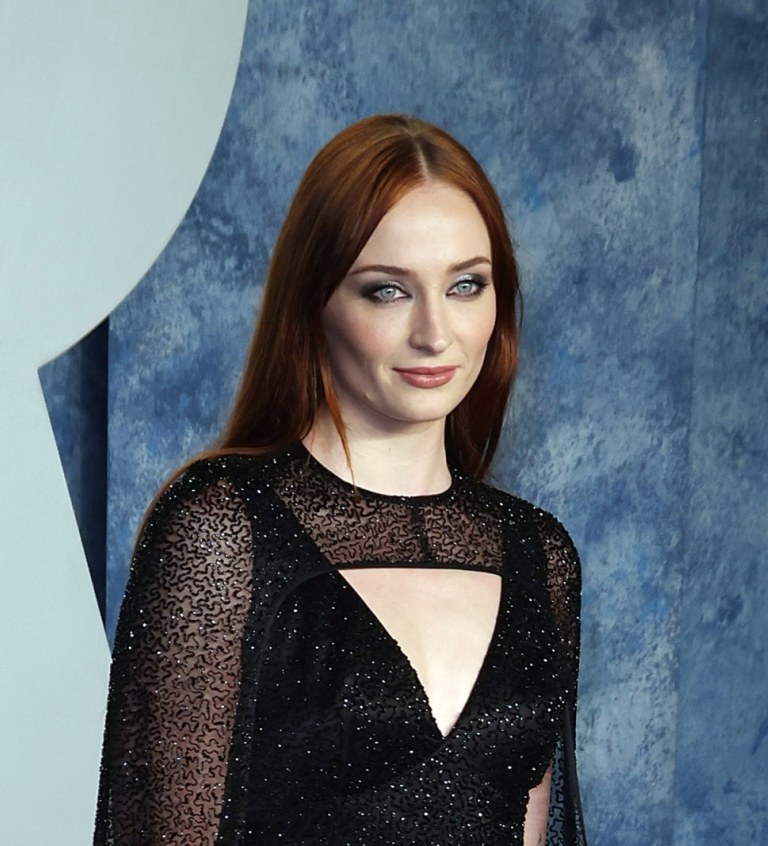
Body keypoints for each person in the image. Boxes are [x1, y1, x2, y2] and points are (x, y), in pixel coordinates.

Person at [93, 114, 585, 845]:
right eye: (387, 291)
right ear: (314, 299)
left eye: (466, 285)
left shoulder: (538, 555)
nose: (435, 333)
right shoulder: (222, 528)